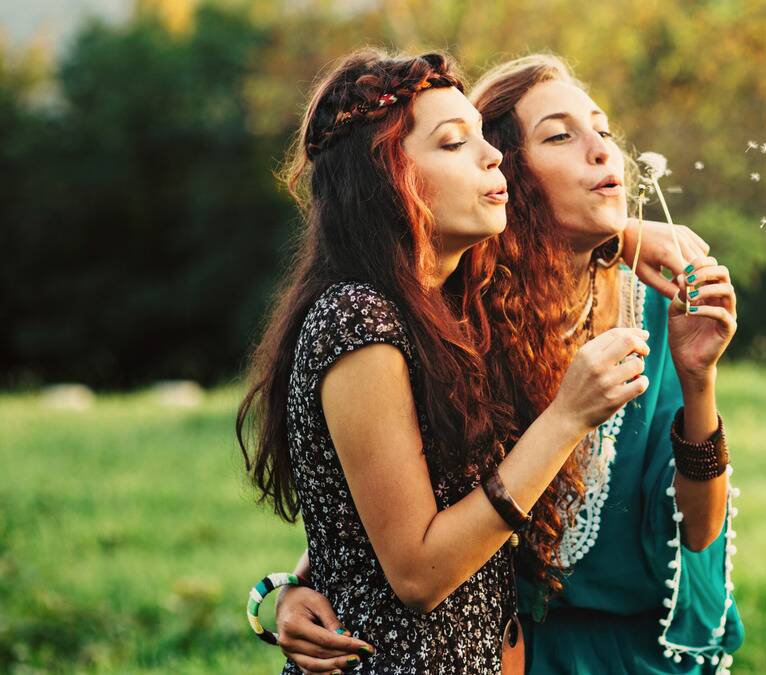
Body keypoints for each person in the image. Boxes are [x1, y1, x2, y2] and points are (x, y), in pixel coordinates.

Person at [236, 49, 651, 674]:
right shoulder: (359, 320)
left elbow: (368, 515)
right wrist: (568, 417)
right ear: (387, 178)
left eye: (487, 139)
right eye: (455, 144)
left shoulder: (452, 307)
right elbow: (418, 574)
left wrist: (637, 237)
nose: (492, 158)